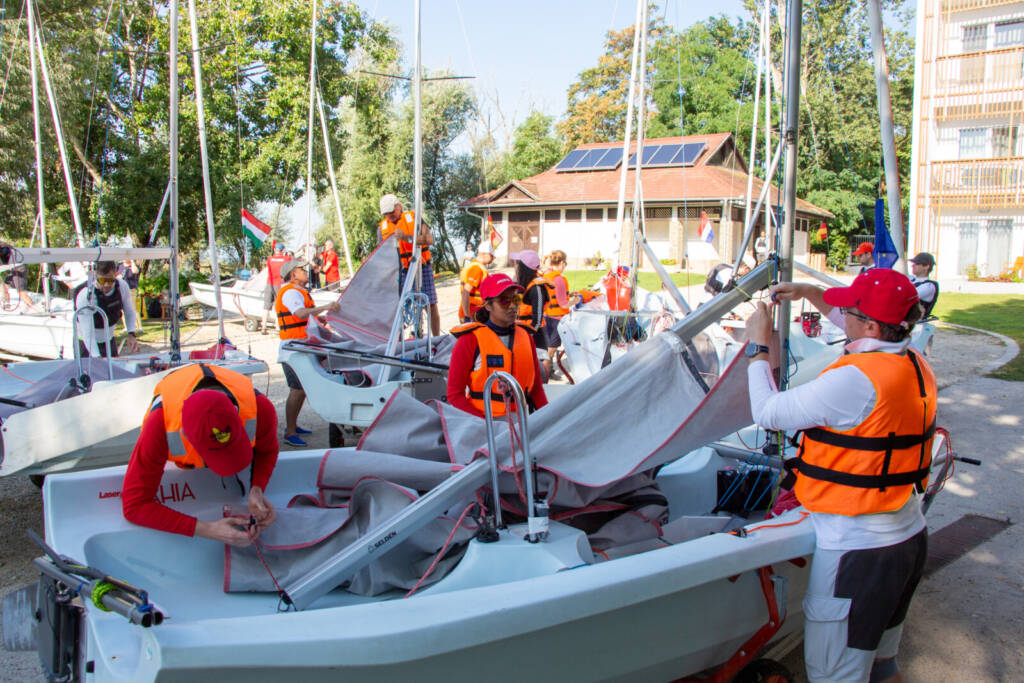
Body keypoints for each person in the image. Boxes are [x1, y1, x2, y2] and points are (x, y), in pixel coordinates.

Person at [745, 269, 935, 683]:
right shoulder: (913, 360)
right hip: (908, 538)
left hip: (859, 554)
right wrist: (810, 292)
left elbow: (767, 412)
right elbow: (859, 323)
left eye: (849, 310)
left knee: (835, 677)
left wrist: (758, 345)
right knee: (882, 666)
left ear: (870, 326)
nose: (840, 315)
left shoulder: (855, 380)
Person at [121, 364, 278, 546]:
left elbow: (268, 450)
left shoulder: (260, 408)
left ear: (237, 413)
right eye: (216, 456)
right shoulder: (158, 425)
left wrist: (257, 489)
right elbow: (134, 505)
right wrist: (209, 530)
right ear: (185, 435)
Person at [447, 273, 548, 418]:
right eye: (504, 301)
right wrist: (486, 424)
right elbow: (454, 395)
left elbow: (536, 389)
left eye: (516, 299)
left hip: (521, 421)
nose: (513, 306)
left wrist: (548, 417)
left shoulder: (526, 337)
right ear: (488, 306)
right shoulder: (469, 340)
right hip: (482, 421)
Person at [275, 257, 341, 446]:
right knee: (297, 390)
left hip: (301, 347)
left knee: (301, 389)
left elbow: (305, 317)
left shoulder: (296, 291)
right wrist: (326, 307)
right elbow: (300, 314)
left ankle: (293, 427)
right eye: (301, 270)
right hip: (293, 349)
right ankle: (289, 432)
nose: (306, 272)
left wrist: (322, 318)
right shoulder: (290, 292)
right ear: (293, 275)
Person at [378, 193, 440, 335]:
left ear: (399, 206)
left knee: (430, 304)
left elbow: (429, 239)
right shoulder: (382, 228)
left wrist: (407, 238)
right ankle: (399, 340)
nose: (390, 216)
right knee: (399, 307)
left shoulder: (414, 218)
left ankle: (436, 338)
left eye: (391, 212)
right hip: (400, 272)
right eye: (386, 214)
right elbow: (381, 254)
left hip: (422, 266)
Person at [73, 261, 140, 357]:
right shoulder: (86, 295)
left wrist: (131, 333)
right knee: (96, 365)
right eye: (102, 281)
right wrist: (97, 357)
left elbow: (129, 311)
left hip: (108, 339)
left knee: (113, 366)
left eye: (110, 280)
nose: (106, 285)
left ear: (116, 275)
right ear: (95, 276)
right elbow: (87, 333)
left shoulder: (122, 286)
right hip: (85, 342)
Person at [511, 249, 551, 378]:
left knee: (539, 367)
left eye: (517, 264)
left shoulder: (536, 288)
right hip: (521, 331)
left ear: (524, 267)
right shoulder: (522, 284)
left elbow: (537, 319)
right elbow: (515, 306)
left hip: (535, 333)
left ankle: (544, 384)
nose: (515, 267)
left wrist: (529, 335)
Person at [541, 250, 579, 374]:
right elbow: (563, 304)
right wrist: (576, 301)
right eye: (565, 264)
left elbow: (554, 295)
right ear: (562, 263)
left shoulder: (546, 275)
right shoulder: (558, 279)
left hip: (545, 317)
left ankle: (548, 372)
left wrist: (569, 295)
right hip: (556, 319)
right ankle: (545, 376)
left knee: (546, 349)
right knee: (550, 351)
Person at [458, 241, 493, 323]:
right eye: (492, 256)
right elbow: (466, 292)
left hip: (475, 313)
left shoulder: (476, 266)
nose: (493, 258)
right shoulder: (476, 268)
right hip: (472, 315)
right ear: (484, 254)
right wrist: (467, 317)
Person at [261, 244, 290, 334]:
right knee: (279, 306)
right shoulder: (286, 259)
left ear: (275, 250)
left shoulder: (269, 259)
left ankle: (263, 327)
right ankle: (277, 327)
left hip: (269, 283)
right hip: (279, 284)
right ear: (282, 250)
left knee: (266, 306)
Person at [908, 252, 938, 318]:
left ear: (926, 266)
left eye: (917, 264)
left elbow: (906, 297)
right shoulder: (911, 279)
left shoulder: (929, 286)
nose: (912, 266)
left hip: (916, 322)